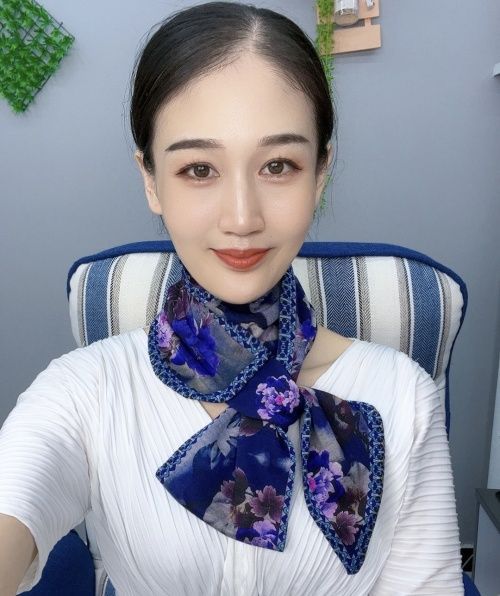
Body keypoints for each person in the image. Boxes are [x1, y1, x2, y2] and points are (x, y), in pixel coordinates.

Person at [0, 2, 464, 595]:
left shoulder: (403, 397)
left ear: (320, 174)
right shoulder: (85, 391)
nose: (242, 218)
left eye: (278, 165)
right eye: (199, 170)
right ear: (151, 180)